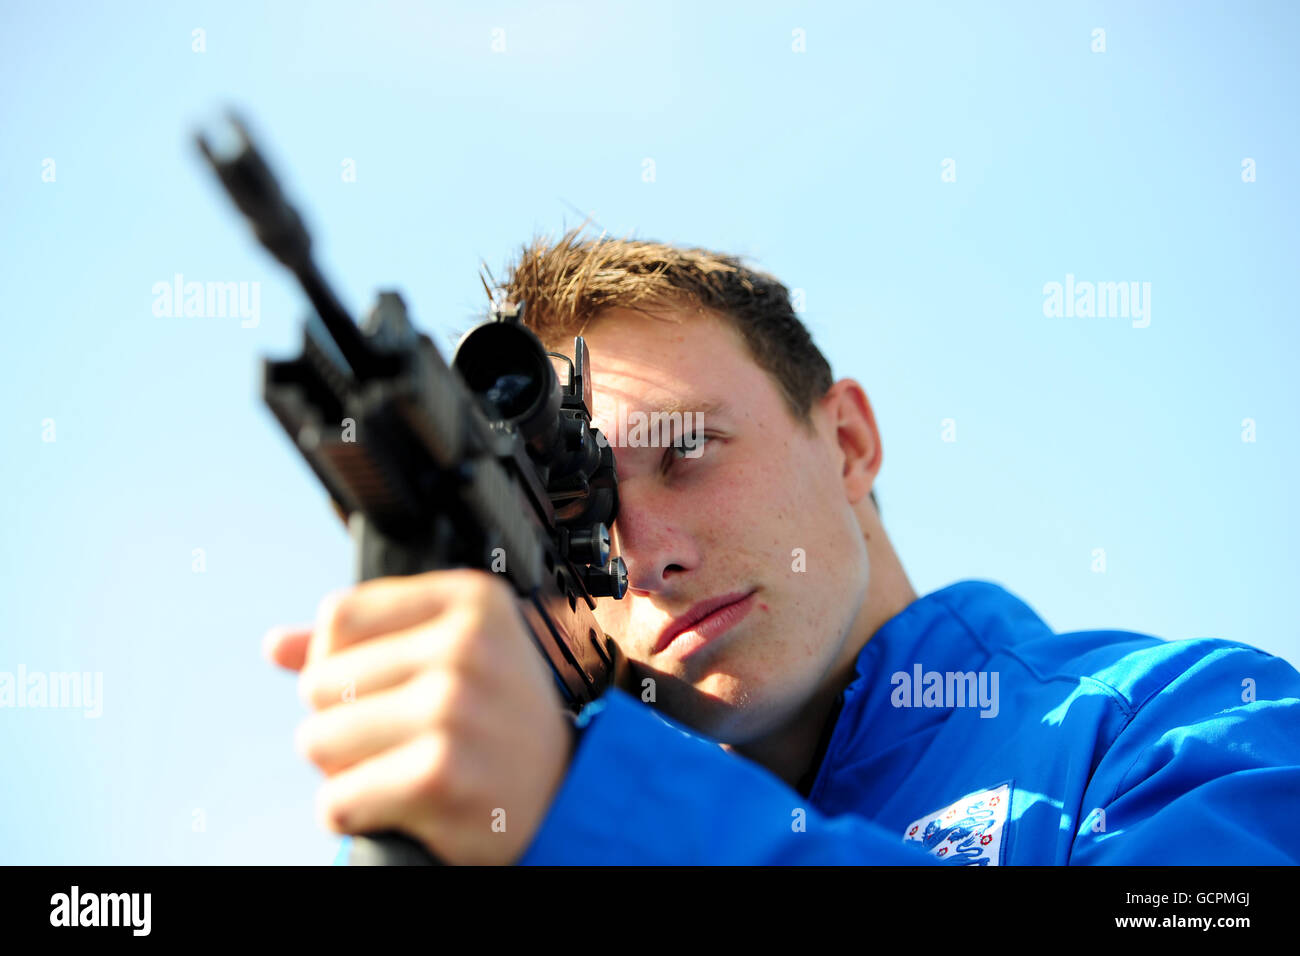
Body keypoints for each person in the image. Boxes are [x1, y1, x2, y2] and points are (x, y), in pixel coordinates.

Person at [263, 228, 1300, 865]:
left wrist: (597, 808)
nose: (652, 552)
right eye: (586, 522)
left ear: (847, 441)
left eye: (687, 451)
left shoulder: (1193, 723)